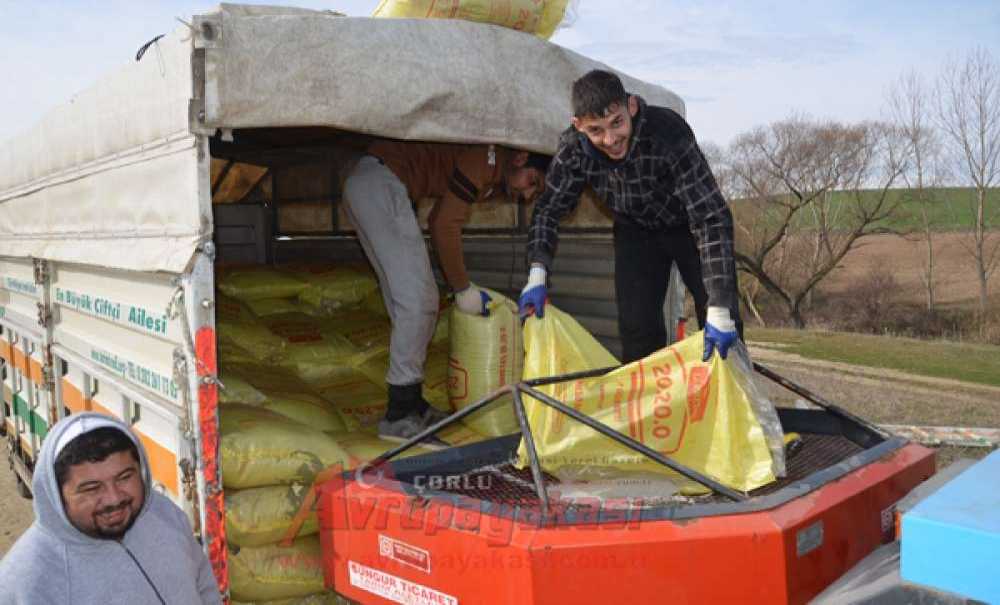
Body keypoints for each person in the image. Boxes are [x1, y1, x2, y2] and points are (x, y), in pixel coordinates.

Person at [518, 70, 741, 363]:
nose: (610, 139)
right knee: (637, 329)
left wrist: (720, 306)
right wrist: (537, 272)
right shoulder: (573, 149)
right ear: (579, 126)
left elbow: (710, 217)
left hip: (687, 226)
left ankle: (733, 396)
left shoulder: (668, 132)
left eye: (617, 123)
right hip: (635, 230)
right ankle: (652, 403)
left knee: (720, 320)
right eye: (596, 130)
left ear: (631, 107)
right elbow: (549, 209)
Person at [342, 140, 550, 442]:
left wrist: (459, 285)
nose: (528, 194)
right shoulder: (488, 160)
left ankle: (411, 402)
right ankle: (399, 413)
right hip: (380, 184)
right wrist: (462, 288)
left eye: (536, 192)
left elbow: (438, 214)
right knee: (420, 302)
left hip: (370, 185)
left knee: (407, 301)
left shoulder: (492, 176)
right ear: (521, 156)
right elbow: (442, 224)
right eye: (533, 181)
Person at [0, 413, 221, 605]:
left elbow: (203, 584)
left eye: (124, 477)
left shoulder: (164, 515)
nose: (114, 499)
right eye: (91, 488)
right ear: (57, 494)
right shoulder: (26, 579)